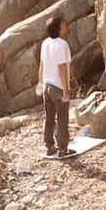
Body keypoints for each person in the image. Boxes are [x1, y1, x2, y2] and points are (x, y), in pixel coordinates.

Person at [37, 16, 73, 157]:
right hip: (58, 87)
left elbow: (42, 65)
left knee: (49, 118)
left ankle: (49, 146)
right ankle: (63, 149)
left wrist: (40, 83)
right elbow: (62, 67)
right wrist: (66, 90)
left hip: (47, 86)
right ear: (58, 28)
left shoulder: (45, 43)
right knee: (62, 118)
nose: (67, 27)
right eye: (64, 25)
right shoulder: (62, 44)